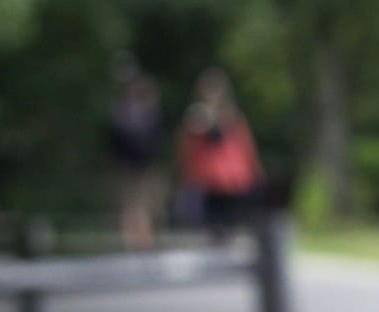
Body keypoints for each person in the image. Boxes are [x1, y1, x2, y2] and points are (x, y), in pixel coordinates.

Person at [177, 68, 264, 242]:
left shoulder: (232, 115)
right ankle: (218, 237)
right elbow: (187, 146)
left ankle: (225, 236)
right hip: (208, 177)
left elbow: (245, 144)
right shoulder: (197, 115)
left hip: (230, 177)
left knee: (228, 215)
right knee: (213, 217)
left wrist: (255, 169)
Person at [107, 63, 166, 249]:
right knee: (130, 203)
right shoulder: (121, 112)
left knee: (147, 203)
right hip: (127, 165)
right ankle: (132, 239)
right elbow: (116, 140)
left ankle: (145, 239)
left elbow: (156, 139)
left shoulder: (150, 111)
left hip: (146, 166)